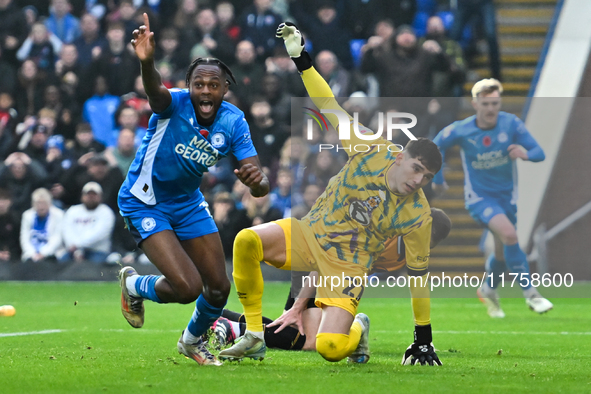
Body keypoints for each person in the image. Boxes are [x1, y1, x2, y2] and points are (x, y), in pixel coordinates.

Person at [218, 23, 443, 366]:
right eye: (416, 169)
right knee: (246, 241)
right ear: (400, 157)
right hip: (310, 234)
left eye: (426, 177)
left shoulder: (417, 215)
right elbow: (327, 102)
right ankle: (252, 334)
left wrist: (422, 340)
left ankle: (357, 327)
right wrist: (301, 58)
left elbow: (419, 278)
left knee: (331, 349)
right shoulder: (370, 147)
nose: (418, 180)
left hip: (348, 266)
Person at [116, 13, 269, 366]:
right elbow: (155, 92)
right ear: (189, 86)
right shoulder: (174, 104)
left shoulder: (233, 121)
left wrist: (256, 182)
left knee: (218, 287)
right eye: (198, 84)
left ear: (223, 89)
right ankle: (134, 286)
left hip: (186, 203)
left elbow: (261, 182)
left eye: (212, 85)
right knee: (187, 288)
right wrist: (148, 61)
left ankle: (190, 342)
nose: (205, 91)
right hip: (145, 202)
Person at [213, 208, 452, 356]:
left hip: (334, 272)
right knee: (306, 340)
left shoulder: (412, 254)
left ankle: (220, 319)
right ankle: (231, 329)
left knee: (298, 334)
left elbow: (418, 291)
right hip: (314, 256)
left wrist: (424, 341)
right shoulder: (381, 232)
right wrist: (298, 306)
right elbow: (324, 262)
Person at [431, 78, 553, 318]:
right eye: (485, 103)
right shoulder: (462, 129)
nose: (491, 109)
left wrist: (525, 154)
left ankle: (487, 289)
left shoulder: (511, 124)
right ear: (475, 103)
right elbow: (436, 145)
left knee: (501, 253)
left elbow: (539, 152)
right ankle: (531, 294)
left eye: (495, 103)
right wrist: (437, 179)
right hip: (479, 198)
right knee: (510, 235)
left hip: (507, 198)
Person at [62, 182, 115, 263]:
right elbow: (67, 231)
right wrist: (76, 250)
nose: (91, 197)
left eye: (94, 195)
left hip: (97, 251)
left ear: (100, 197)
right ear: (82, 196)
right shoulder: (73, 211)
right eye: (88, 194)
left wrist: (77, 245)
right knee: (62, 261)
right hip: (74, 251)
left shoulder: (106, 212)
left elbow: (99, 234)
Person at [20, 188, 64, 263]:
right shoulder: (27, 215)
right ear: (33, 204)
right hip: (31, 254)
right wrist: (32, 254)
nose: (41, 206)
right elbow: (24, 238)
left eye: (44, 203)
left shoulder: (59, 214)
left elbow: (57, 238)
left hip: (52, 253)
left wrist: (43, 253)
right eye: (38, 203)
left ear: (49, 203)